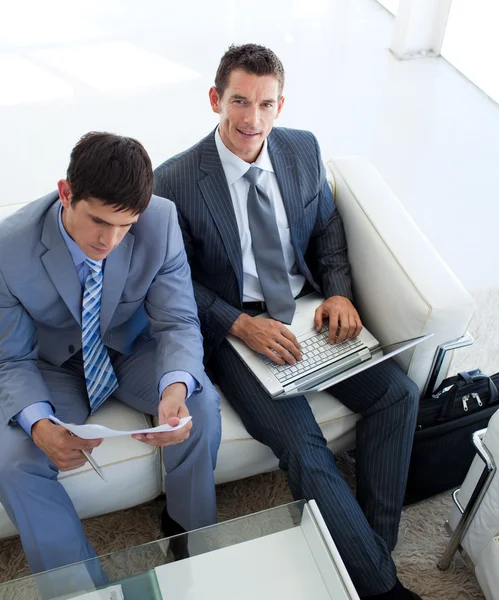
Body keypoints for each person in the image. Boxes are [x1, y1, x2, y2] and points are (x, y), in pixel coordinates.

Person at [153, 44, 423, 600]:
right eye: (239, 101)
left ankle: (369, 558)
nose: (252, 119)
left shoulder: (303, 150)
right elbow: (173, 281)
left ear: (281, 105)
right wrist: (237, 324)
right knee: (302, 445)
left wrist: (342, 294)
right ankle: (385, 590)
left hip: (307, 310)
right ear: (215, 100)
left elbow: (326, 229)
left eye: (266, 104)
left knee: (398, 394)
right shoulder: (175, 180)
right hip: (235, 333)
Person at [0, 132, 221, 575]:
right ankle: (84, 587)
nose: (111, 240)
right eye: (100, 221)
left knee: (200, 405)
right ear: (66, 193)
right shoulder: (9, 248)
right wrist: (38, 422)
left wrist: (175, 386)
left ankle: (191, 541)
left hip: (131, 348)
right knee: (14, 461)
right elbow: (10, 358)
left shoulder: (160, 221)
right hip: (53, 364)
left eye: (126, 225)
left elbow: (177, 321)